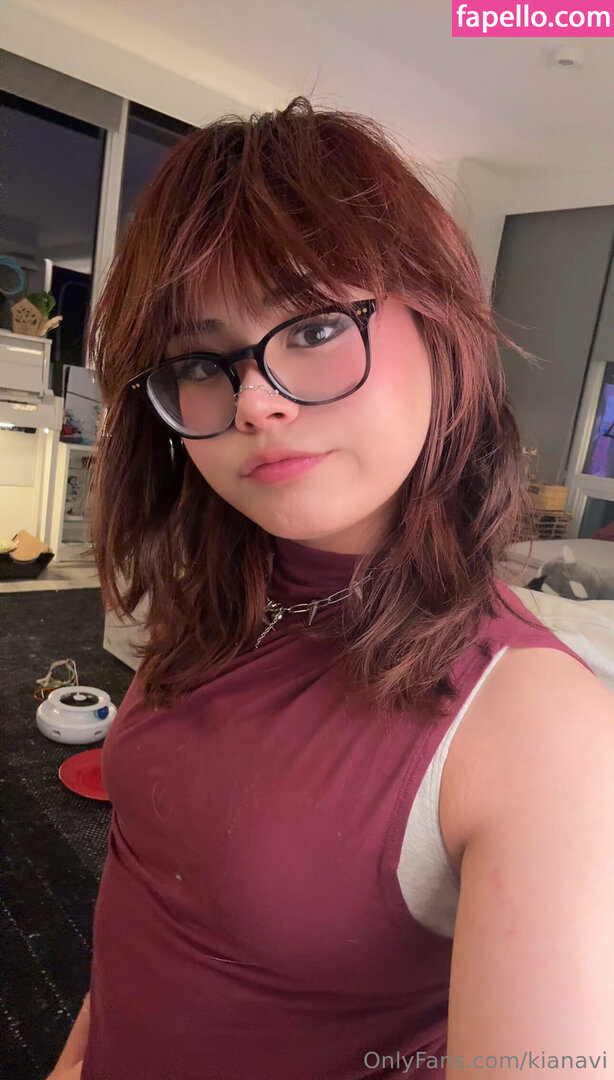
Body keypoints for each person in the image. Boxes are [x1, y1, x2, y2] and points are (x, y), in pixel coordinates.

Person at [48, 97, 614, 1080]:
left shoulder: (540, 727)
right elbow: (151, 902)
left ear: (440, 328)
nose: (254, 402)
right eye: (199, 359)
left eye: (311, 326)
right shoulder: (222, 598)